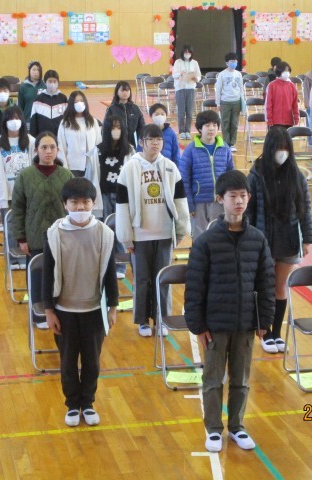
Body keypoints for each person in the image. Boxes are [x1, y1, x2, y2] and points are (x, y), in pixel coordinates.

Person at [185, 170, 275, 453]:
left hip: (245, 324)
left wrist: (264, 320)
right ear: (220, 199)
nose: (238, 201)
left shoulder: (258, 239)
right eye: (233, 196)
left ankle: (237, 427)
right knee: (213, 380)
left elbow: (266, 282)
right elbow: (194, 286)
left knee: (241, 380)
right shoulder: (205, 242)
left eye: (243, 196)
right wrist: (198, 325)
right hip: (215, 326)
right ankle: (213, 429)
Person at [43, 178, 119, 427]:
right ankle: (72, 405)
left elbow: (110, 273)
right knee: (67, 362)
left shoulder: (104, 234)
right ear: (65, 204)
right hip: (64, 311)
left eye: (85, 202)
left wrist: (113, 307)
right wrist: (49, 310)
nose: (80, 207)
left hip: (94, 310)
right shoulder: (54, 234)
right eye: (74, 202)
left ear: (94, 203)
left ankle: (88, 403)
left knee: (92, 362)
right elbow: (47, 274)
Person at [116, 124, 191, 337]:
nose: (156, 143)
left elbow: (180, 201)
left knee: (163, 278)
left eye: (159, 140)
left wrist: (181, 230)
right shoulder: (129, 168)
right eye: (151, 139)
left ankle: (161, 318)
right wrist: (126, 237)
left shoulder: (170, 167)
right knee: (142, 279)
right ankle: (143, 321)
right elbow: (122, 206)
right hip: (140, 235)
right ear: (142, 142)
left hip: (164, 233)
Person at [246, 127, 312, 354]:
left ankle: (276, 333)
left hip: (288, 239)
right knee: (264, 287)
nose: (282, 152)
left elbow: (305, 209)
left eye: (286, 148)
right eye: (278, 148)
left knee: (280, 287)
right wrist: (248, 238)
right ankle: (264, 332)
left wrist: (307, 239)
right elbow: (249, 209)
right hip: (263, 239)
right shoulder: (256, 174)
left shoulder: (296, 175)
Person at [10, 131, 74, 262]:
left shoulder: (67, 176)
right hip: (34, 240)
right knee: (36, 274)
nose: (48, 151)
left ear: (57, 150)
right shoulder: (25, 176)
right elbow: (17, 209)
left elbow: (74, 207)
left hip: (62, 239)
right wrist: (21, 239)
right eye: (44, 147)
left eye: (52, 147)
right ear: (36, 150)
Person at [0, 106, 35, 268]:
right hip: (7, 194)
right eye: (11, 119)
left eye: (17, 118)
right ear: (5, 122)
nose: (14, 122)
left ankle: (28, 258)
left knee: (29, 225)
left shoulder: (32, 142)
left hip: (28, 193)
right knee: (12, 228)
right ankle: (13, 259)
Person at [179, 110, 234, 238]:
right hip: (198, 203)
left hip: (220, 201)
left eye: (214, 125)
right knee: (200, 238)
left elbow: (231, 176)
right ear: (199, 128)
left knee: (219, 237)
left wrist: (229, 199)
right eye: (207, 125)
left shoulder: (225, 148)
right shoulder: (190, 150)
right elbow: (184, 180)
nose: (211, 128)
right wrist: (189, 205)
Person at [94, 115, 135, 278]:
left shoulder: (129, 150)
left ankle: (120, 266)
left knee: (121, 229)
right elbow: (93, 174)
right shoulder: (97, 150)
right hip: (103, 194)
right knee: (105, 229)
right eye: (112, 128)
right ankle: (105, 264)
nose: (115, 131)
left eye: (118, 127)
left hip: (122, 196)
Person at [57, 91, 102, 176]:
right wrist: (64, 167)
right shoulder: (65, 123)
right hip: (72, 166)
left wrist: (98, 163)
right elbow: (61, 146)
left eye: (81, 101)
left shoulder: (93, 121)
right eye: (76, 102)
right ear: (71, 104)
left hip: (90, 165)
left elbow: (98, 142)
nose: (79, 103)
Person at [215, 52, 246, 152]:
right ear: (227, 63)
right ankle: (226, 142)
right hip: (225, 102)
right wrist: (218, 103)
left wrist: (242, 102)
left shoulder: (238, 74)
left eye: (235, 61)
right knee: (225, 123)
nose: (234, 63)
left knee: (234, 123)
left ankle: (232, 143)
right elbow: (218, 89)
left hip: (236, 101)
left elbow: (241, 89)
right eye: (232, 61)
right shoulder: (222, 74)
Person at [172, 44, 202, 140]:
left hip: (191, 88)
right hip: (180, 88)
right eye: (186, 52)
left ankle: (187, 131)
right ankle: (181, 131)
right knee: (181, 111)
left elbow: (199, 75)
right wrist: (180, 74)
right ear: (182, 53)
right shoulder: (177, 62)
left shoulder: (195, 63)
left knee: (189, 111)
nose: (187, 54)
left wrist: (196, 78)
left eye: (189, 52)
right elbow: (174, 75)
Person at [104, 81, 145, 148]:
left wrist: (140, 143)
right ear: (117, 92)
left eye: (127, 90)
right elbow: (106, 127)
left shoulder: (135, 108)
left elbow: (141, 127)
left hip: (132, 144)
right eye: (122, 90)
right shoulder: (111, 108)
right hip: (115, 144)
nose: (125, 92)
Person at [29, 70, 68, 137]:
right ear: (45, 82)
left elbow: (67, 119)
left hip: (59, 137)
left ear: (58, 83)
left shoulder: (63, 98)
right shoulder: (38, 99)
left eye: (54, 81)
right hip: (42, 137)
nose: (52, 84)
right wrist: (34, 138)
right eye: (50, 81)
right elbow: (33, 121)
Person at [265, 62, 299, 129]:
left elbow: (295, 104)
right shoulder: (271, 85)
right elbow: (268, 104)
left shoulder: (292, 86)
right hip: (275, 121)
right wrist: (269, 119)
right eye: (285, 71)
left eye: (288, 71)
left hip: (289, 121)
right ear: (279, 71)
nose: (287, 73)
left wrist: (296, 118)